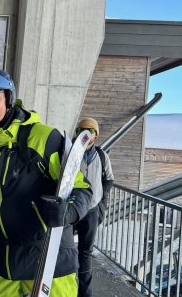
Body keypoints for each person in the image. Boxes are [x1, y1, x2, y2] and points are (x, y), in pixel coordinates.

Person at [0, 68, 93, 296]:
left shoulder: (43, 138)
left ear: (8, 98)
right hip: (4, 261)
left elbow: (82, 190)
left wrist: (67, 212)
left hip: (48, 261)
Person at [73, 117, 114, 297]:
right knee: (62, 248)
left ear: (96, 135)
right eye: (81, 129)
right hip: (72, 209)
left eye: (90, 131)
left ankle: (84, 292)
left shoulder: (102, 156)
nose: (85, 133)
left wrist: (101, 207)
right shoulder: (70, 153)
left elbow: (109, 180)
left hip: (91, 211)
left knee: (85, 252)